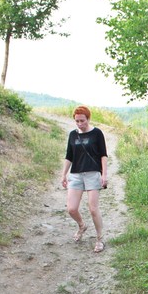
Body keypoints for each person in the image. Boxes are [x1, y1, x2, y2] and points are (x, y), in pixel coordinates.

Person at [60, 105, 108, 253]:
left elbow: (103, 155)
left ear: (88, 119)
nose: (80, 124)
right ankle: (82, 225)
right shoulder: (73, 135)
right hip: (76, 174)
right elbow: (69, 156)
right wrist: (63, 174)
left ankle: (100, 239)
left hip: (93, 173)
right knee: (71, 208)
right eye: (77, 121)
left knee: (93, 209)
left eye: (82, 120)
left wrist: (104, 175)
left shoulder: (97, 133)